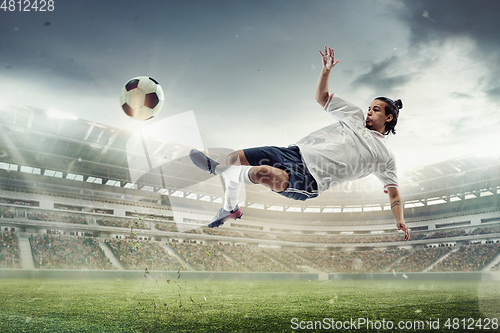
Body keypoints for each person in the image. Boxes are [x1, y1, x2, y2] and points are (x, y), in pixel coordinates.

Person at [190, 45, 410, 241]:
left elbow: (394, 194)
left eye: (376, 110)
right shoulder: (355, 116)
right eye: (369, 108)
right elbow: (322, 97)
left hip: (310, 179)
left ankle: (217, 170)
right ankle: (230, 208)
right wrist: (326, 71)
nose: (369, 113)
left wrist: (399, 219)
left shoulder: (385, 157)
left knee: (261, 173)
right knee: (233, 159)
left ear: (389, 118)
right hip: (294, 153)